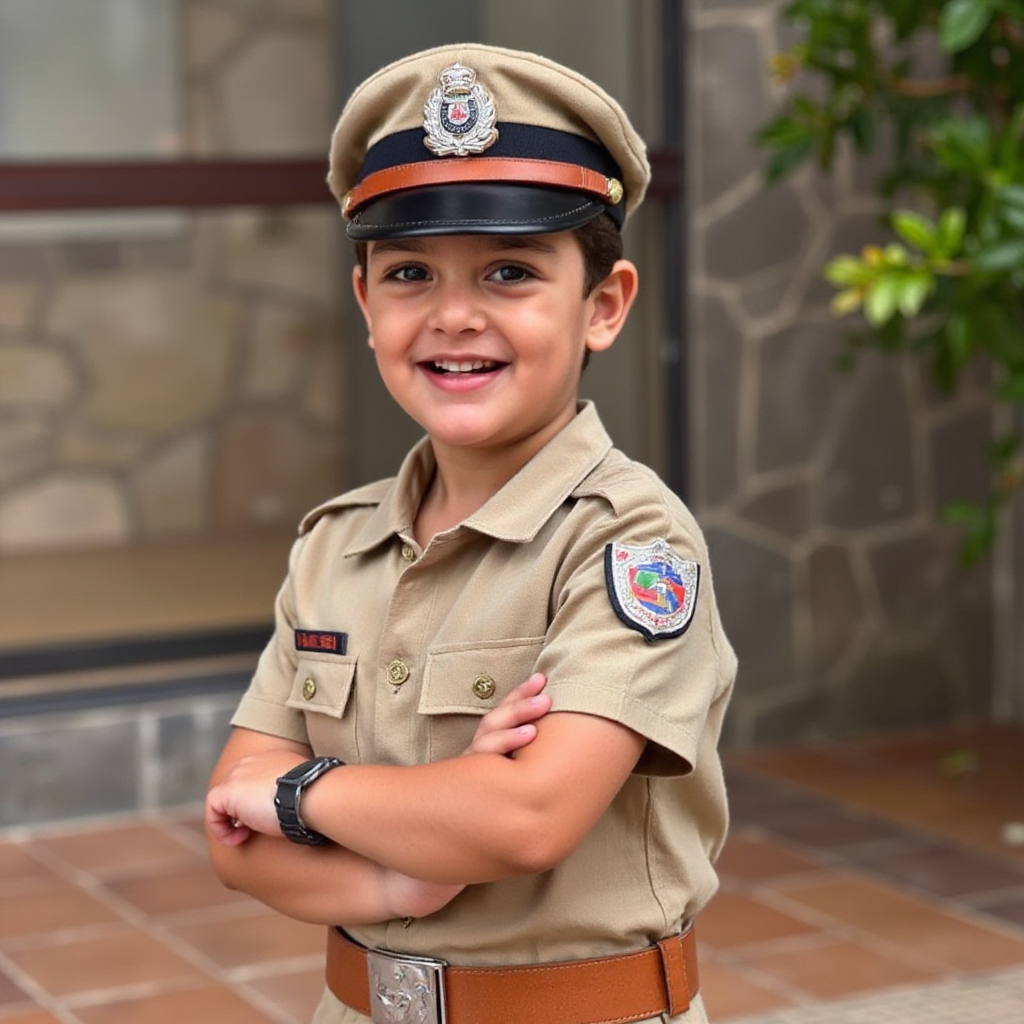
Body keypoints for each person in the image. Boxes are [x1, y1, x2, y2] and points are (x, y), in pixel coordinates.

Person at [206, 42, 737, 1024]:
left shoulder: (628, 542)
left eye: (508, 271)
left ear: (604, 305)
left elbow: (524, 819)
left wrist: (298, 792)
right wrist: (395, 883)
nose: (454, 316)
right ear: (366, 305)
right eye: (410, 271)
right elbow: (229, 841)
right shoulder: (335, 543)